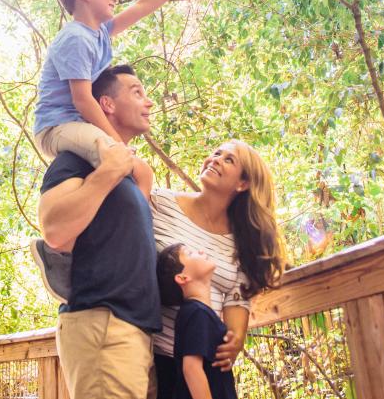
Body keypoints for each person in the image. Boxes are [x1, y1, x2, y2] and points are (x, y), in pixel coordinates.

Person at [30, 0, 210, 302]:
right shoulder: (75, 39)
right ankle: (59, 257)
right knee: (134, 166)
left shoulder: (99, 33)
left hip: (74, 124)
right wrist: (115, 144)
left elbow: (143, 7)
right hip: (57, 127)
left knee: (139, 170)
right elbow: (83, 100)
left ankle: (127, 241)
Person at [37, 65, 160, 399]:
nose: (149, 102)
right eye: (137, 92)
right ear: (106, 104)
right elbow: (55, 229)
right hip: (104, 326)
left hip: (137, 331)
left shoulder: (132, 177)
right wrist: (108, 172)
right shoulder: (75, 159)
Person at [150, 141, 287, 399]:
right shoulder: (160, 202)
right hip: (153, 355)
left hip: (206, 364)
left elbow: (238, 302)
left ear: (243, 184)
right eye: (215, 153)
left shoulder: (242, 242)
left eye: (228, 159)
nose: (215, 159)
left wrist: (233, 342)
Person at [156, 243, 237, 399]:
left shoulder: (197, 312)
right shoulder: (197, 313)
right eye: (190, 252)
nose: (200, 250)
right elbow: (191, 368)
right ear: (182, 278)